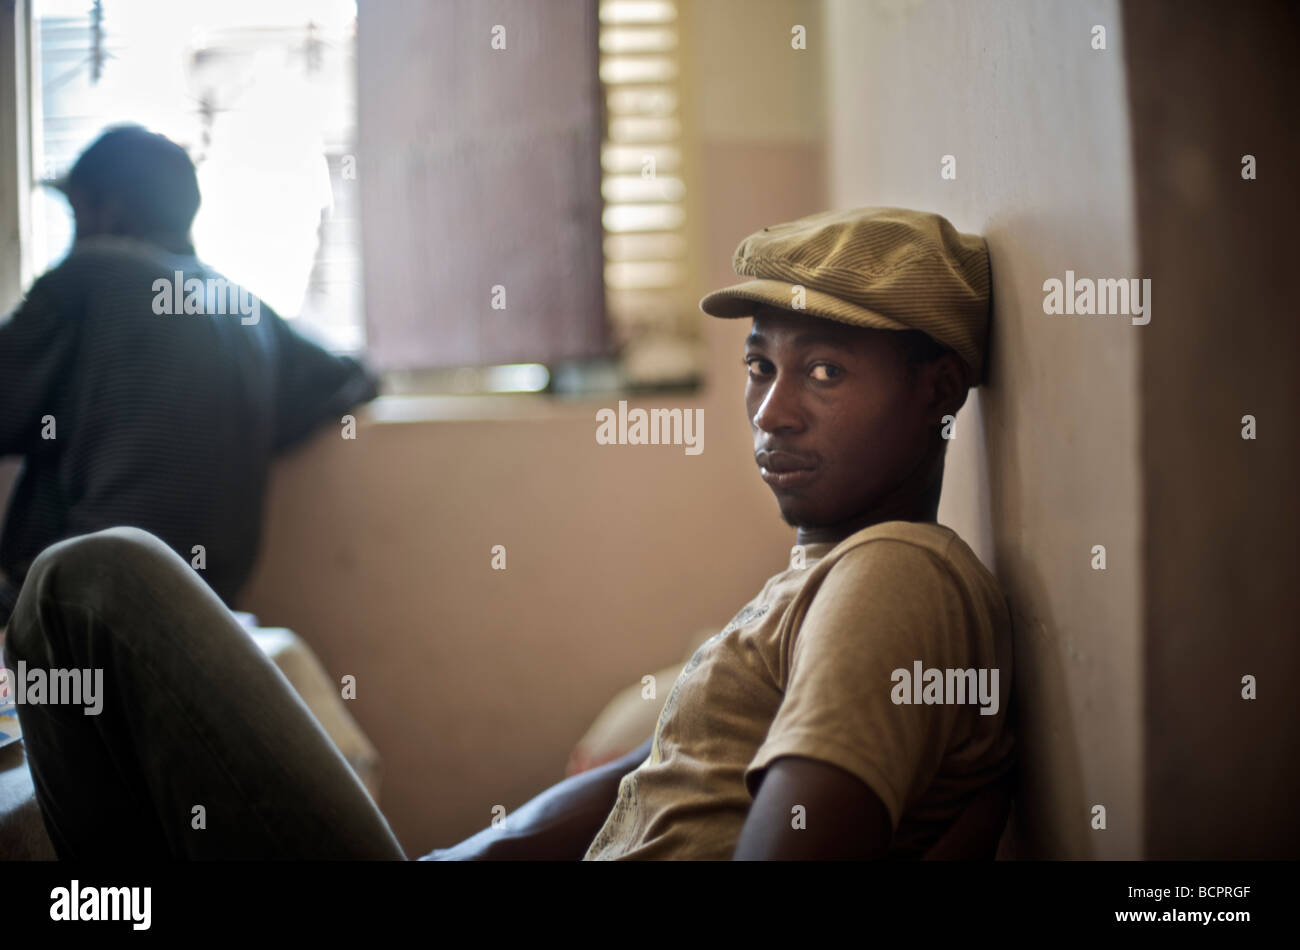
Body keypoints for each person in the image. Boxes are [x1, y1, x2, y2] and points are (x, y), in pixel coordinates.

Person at [3, 207, 1015, 860]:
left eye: (825, 372)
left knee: (91, 587)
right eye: (761, 365)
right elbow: (665, 770)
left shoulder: (893, 572)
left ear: (937, 390)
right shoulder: (820, 574)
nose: (772, 411)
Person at [0, 125, 377, 625]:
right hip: (210, 625)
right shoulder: (244, 310)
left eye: (77, 210)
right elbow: (352, 379)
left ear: (107, 210)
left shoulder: (87, 277)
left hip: (75, 614)